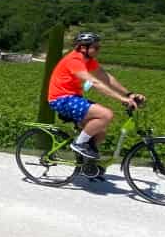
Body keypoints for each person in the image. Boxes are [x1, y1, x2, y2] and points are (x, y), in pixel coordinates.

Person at [46, 32, 146, 160]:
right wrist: (122, 99)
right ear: (83, 48)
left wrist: (129, 94)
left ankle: (86, 165)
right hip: (61, 99)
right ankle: (79, 144)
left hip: (73, 98)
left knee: (100, 133)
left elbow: (106, 77)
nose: (99, 50)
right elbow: (94, 82)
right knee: (106, 114)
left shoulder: (89, 61)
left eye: (99, 47)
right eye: (96, 47)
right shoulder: (74, 60)